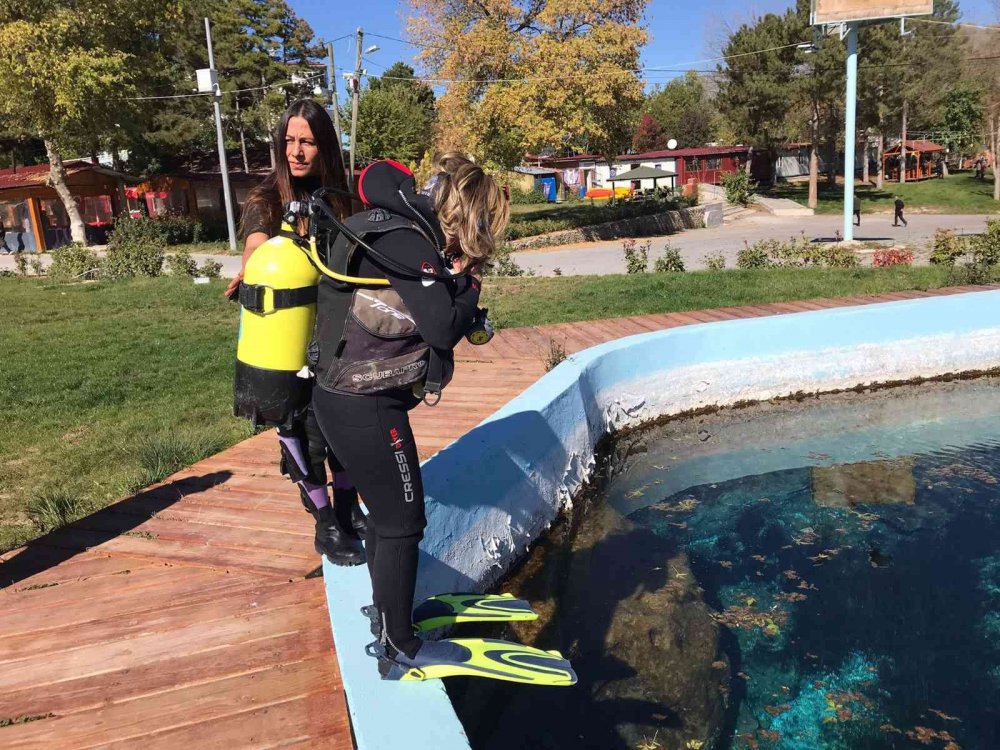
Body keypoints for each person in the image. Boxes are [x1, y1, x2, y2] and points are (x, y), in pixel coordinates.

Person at [310, 154, 510, 674]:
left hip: (346, 398)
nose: (484, 232)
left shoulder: (395, 230)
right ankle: (400, 646)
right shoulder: (407, 240)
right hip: (365, 405)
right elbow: (443, 325)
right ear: (468, 210)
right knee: (403, 522)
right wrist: (472, 287)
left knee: (386, 516)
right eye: (484, 219)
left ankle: (385, 615)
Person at [226, 98, 366, 566]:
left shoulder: (342, 199)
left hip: (337, 325)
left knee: (344, 419)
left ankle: (347, 503)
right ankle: (325, 520)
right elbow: (256, 247)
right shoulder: (267, 197)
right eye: (289, 141)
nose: (297, 151)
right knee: (301, 426)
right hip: (287, 331)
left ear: (324, 145)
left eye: (307, 141)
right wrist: (257, 268)